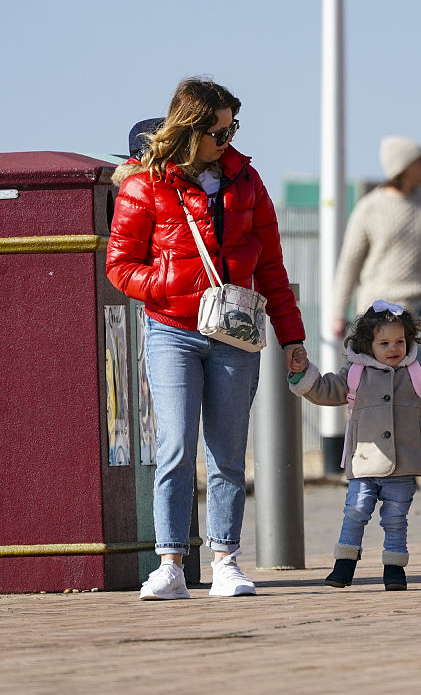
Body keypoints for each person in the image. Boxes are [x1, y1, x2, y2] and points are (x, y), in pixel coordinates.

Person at [106, 77, 306, 599]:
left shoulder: (247, 181)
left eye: (233, 128)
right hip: (171, 330)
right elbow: (120, 266)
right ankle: (169, 564)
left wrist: (293, 338)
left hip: (234, 332)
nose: (228, 140)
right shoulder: (144, 185)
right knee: (174, 448)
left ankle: (225, 561)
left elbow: (273, 269)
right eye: (220, 131)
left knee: (227, 453)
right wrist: (170, 283)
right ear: (191, 129)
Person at [288, 302, 421, 590]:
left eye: (400, 342)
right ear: (368, 346)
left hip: (404, 464)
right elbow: (323, 390)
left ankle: (394, 569)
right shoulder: (355, 374)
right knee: (355, 510)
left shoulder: (418, 372)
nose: (394, 349)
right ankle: (344, 565)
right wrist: (302, 372)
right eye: (384, 343)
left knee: (396, 518)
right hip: (365, 461)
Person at [332, 136, 421, 363]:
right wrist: (338, 313)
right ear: (403, 167)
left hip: (418, 315)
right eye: (420, 161)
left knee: (413, 390)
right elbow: (350, 262)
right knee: (367, 387)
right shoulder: (369, 208)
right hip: (372, 314)